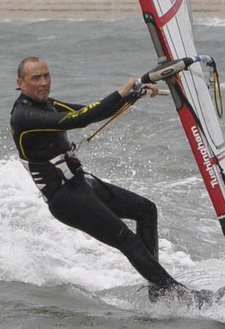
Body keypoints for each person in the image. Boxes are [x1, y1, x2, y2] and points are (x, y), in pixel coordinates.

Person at [10, 55, 195, 301]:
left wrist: (133, 94)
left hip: (79, 184)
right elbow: (80, 119)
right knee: (127, 240)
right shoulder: (24, 116)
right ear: (20, 83)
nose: (43, 82)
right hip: (65, 198)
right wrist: (123, 91)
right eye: (36, 78)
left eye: (46, 76)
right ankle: (177, 293)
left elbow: (91, 111)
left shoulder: (47, 104)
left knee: (146, 210)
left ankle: (159, 290)